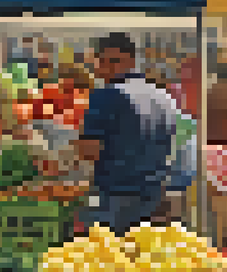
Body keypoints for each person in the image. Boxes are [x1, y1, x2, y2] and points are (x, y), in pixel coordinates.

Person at [75, 33, 194, 235]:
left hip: (116, 194)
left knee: (108, 258)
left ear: (131, 60)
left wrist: (72, 148)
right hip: (156, 192)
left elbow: (89, 151)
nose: (107, 68)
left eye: (113, 61)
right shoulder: (163, 96)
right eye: (103, 62)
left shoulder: (106, 96)